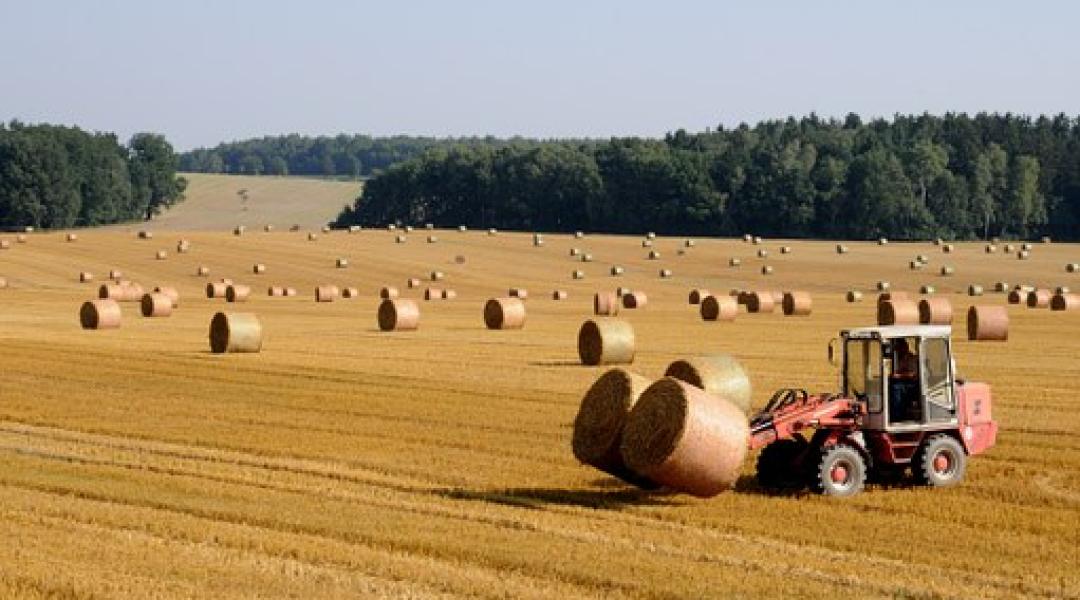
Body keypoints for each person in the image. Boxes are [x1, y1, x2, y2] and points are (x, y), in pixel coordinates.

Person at [889, 339, 919, 422]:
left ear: (905, 347)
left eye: (898, 348)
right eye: (895, 348)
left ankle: (897, 416)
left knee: (896, 388)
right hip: (904, 383)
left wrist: (898, 376)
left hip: (914, 385)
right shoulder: (897, 359)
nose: (897, 350)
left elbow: (913, 374)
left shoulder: (912, 358)